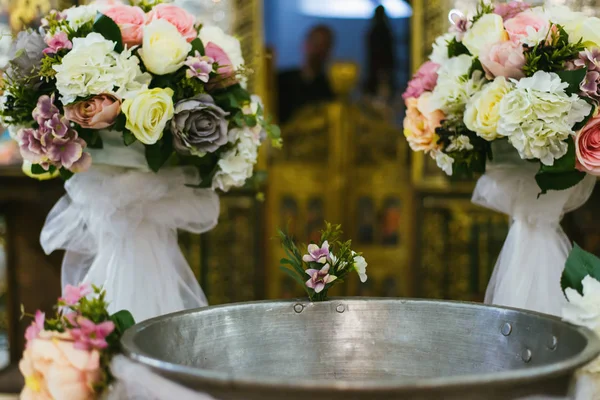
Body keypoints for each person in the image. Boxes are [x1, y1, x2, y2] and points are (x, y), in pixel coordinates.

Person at [277, 25, 335, 124]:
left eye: (324, 45)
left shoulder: (331, 87)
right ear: (305, 44)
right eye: (316, 44)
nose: (319, 50)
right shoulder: (282, 81)